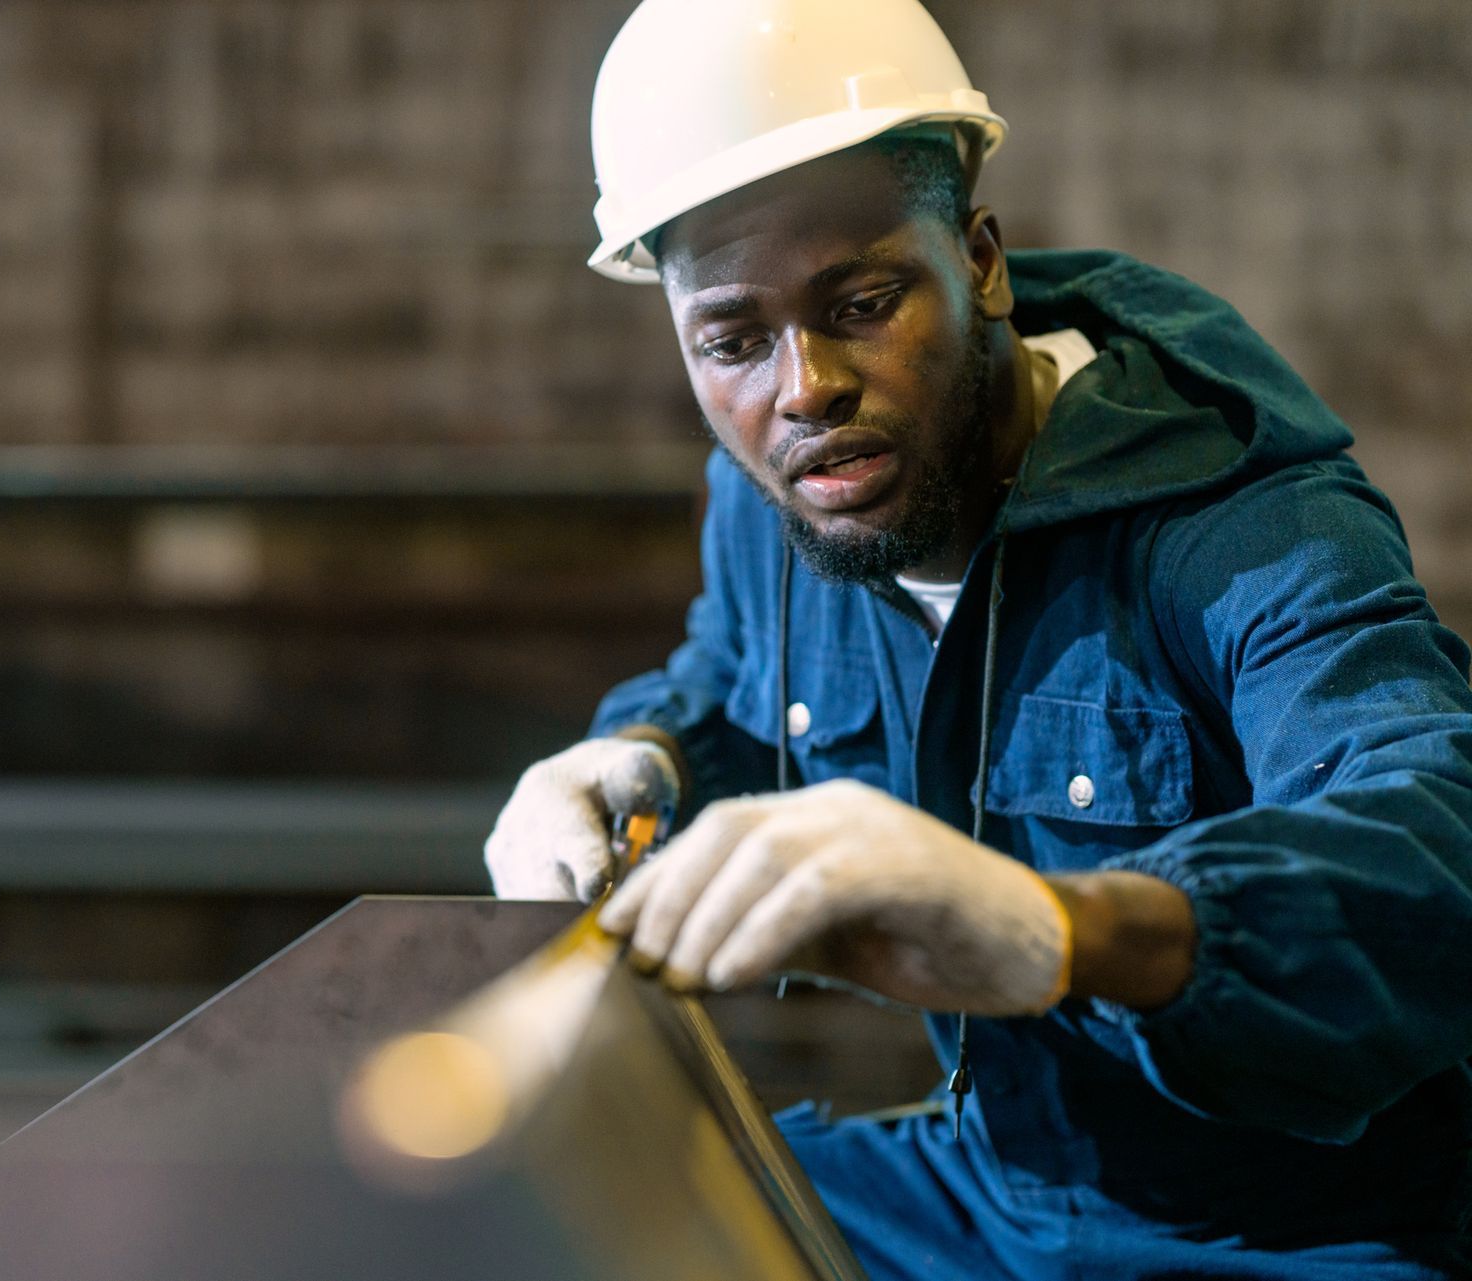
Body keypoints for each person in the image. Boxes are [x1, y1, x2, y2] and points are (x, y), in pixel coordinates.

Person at [482, 1, 1472, 1277]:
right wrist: (642, 758)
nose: (803, 388)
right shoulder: (776, 495)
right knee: (532, 1217)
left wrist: (1063, 930)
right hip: (987, 1190)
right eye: (731, 341)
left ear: (984, 262)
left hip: (1313, 1229)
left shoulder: (1237, 521)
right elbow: (735, 688)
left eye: (864, 301)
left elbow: (1438, 834)